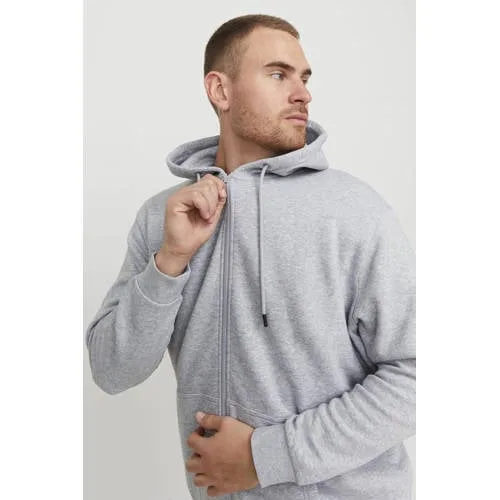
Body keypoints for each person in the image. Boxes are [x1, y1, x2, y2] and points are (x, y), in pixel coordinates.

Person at [85, 13, 416, 500]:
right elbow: (112, 370)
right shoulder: (164, 217)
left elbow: (416, 375)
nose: (302, 94)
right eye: (279, 74)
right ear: (220, 90)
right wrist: (170, 261)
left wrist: (266, 456)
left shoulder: (354, 211)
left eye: (304, 79)